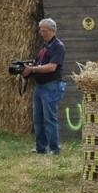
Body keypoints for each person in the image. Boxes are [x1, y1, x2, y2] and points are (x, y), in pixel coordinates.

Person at [22, 18, 66, 154]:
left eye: (44, 30)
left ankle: (54, 149)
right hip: (40, 86)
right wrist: (25, 70)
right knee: (38, 119)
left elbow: (52, 67)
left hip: (51, 86)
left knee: (49, 119)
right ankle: (41, 147)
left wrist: (33, 69)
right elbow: (38, 63)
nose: (41, 33)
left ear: (53, 31)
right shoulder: (44, 46)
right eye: (40, 30)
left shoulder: (58, 46)